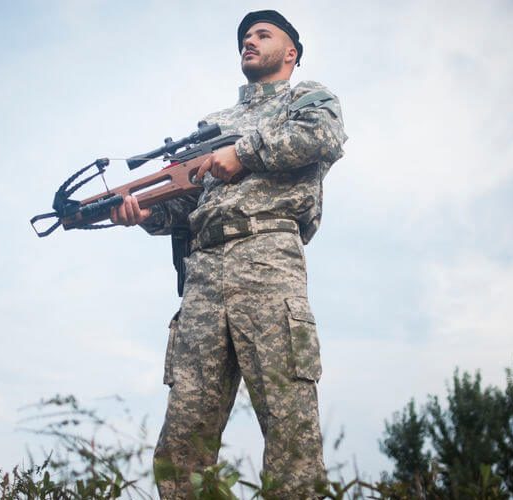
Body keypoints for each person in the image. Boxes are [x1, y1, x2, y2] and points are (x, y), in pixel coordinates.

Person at [111, 10, 347, 499]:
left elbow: (322, 136)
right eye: (245, 36)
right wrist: (144, 213)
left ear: (291, 52)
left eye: (263, 35)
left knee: (290, 428)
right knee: (183, 440)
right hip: (203, 275)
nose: (250, 41)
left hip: (268, 262)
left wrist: (245, 153)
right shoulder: (211, 125)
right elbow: (184, 204)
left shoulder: (306, 99)